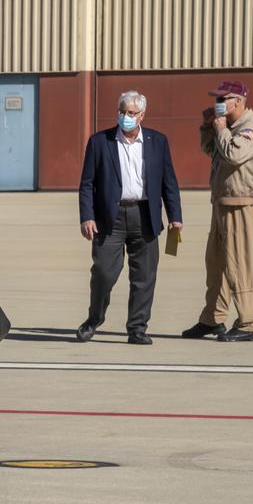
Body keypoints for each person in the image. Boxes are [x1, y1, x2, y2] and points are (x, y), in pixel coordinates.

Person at [76, 91, 183, 345]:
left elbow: (169, 182)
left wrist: (175, 216)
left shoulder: (157, 141)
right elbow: (86, 184)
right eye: (122, 111)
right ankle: (94, 319)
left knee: (144, 277)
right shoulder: (100, 141)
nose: (126, 117)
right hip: (109, 218)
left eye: (131, 113)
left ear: (142, 115)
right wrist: (87, 216)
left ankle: (137, 328)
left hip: (145, 215)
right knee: (103, 272)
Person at [183, 80, 253, 342]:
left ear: (238, 101)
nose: (219, 104)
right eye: (216, 99)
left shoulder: (250, 128)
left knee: (239, 264)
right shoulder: (228, 126)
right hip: (220, 203)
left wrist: (221, 130)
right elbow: (210, 150)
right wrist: (207, 126)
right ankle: (212, 319)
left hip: (240, 204)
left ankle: (249, 322)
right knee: (215, 263)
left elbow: (235, 155)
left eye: (223, 99)